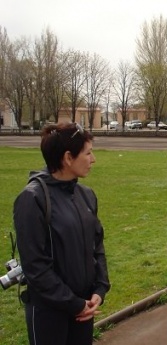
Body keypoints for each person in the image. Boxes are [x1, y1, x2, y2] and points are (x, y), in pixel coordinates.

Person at [13, 122, 110, 345]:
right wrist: (73, 303)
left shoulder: (86, 195)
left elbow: (97, 247)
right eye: (88, 153)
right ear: (68, 158)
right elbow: (35, 266)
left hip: (83, 308)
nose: (93, 159)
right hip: (49, 312)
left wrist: (99, 289)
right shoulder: (33, 199)